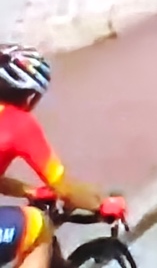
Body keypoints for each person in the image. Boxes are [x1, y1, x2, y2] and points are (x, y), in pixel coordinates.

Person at [0, 44, 126, 268]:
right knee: (38, 227)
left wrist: (29, 191)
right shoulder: (18, 123)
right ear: (29, 94)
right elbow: (66, 189)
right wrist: (103, 204)